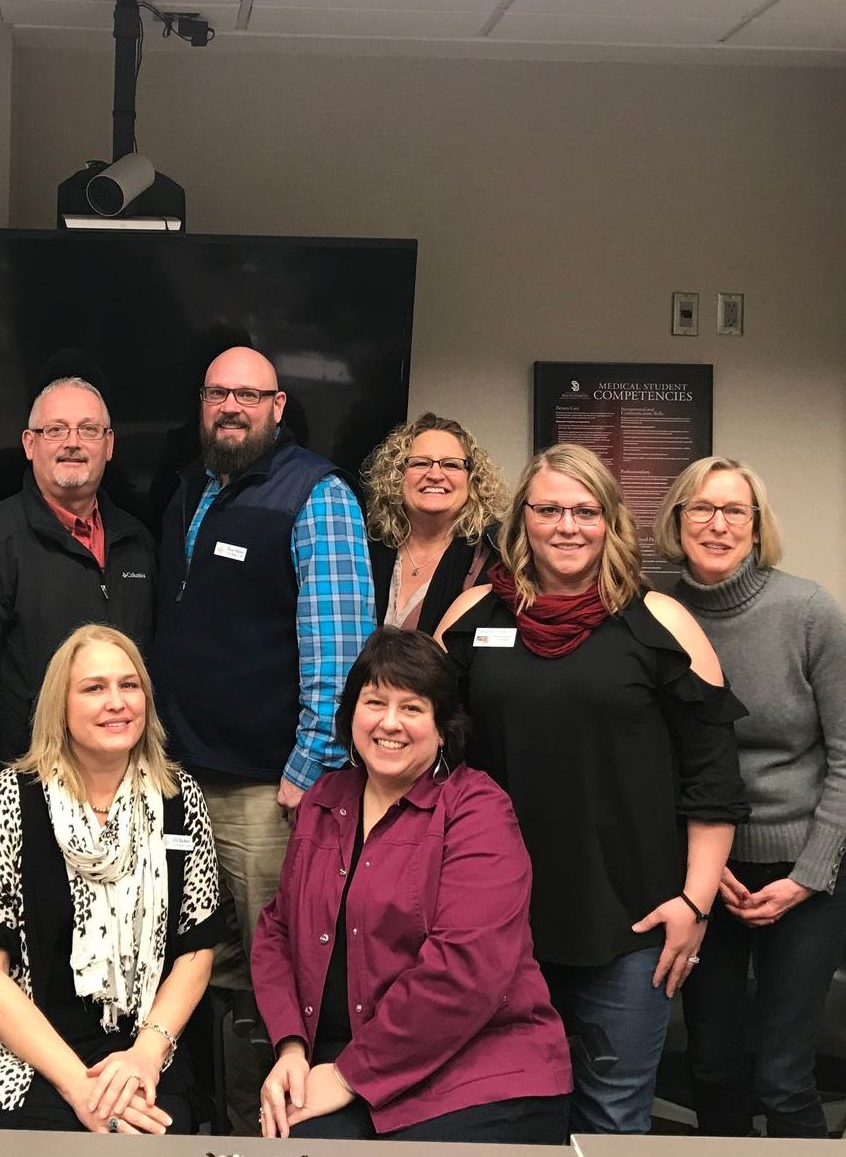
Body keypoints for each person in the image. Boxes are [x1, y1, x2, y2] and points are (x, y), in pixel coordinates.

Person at [436, 442, 749, 1135]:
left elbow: (713, 781)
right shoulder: (470, 620)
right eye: (549, 509)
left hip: (629, 927)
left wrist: (694, 904)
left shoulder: (661, 624)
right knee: (500, 1119)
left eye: (585, 510)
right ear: (523, 519)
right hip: (493, 925)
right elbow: (423, 761)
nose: (567, 526)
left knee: (611, 1122)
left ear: (611, 521)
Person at [253, 628, 571, 1143]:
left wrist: (350, 1074)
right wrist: (290, 1047)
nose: (390, 723)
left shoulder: (478, 810)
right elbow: (277, 930)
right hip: (340, 1069)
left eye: (412, 708)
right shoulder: (324, 799)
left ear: (443, 728)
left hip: (477, 1076)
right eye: (374, 702)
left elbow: (466, 970)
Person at [0, 624, 224, 1132]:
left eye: (128, 685)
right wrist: (80, 1086)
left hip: (145, 1051)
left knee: (154, 1136)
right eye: (94, 688)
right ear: (59, 707)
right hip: (30, 1054)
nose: (116, 702)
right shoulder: (7, 801)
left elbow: (196, 952)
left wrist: (144, 1057)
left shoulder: (181, 799)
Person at [152, 346, 374, 1001]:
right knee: (198, 966)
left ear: (277, 408)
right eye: (218, 393)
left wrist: (308, 772)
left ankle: (267, 1107)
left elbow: (341, 656)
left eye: (248, 396)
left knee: (274, 976)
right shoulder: (191, 487)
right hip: (185, 779)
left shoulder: (318, 495)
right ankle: (215, 1103)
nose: (231, 408)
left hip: (265, 795)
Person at [655, 457, 846, 1138]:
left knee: (784, 1074)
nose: (717, 524)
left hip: (805, 870)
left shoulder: (810, 611)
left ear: (757, 526)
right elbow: (659, 760)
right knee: (710, 1066)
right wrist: (705, 868)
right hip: (709, 872)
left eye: (736, 510)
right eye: (700, 508)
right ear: (676, 521)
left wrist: (807, 876)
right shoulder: (658, 617)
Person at [0, 377, 156, 821]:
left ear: (109, 445)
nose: (72, 443)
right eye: (56, 430)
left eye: (88, 430)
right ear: (29, 444)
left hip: (123, 797)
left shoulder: (138, 543)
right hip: (24, 801)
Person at [363, 412, 506, 633]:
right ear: (396, 476)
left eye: (451, 465)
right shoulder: (365, 547)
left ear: (473, 478)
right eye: (420, 463)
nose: (435, 474)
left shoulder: (494, 556)